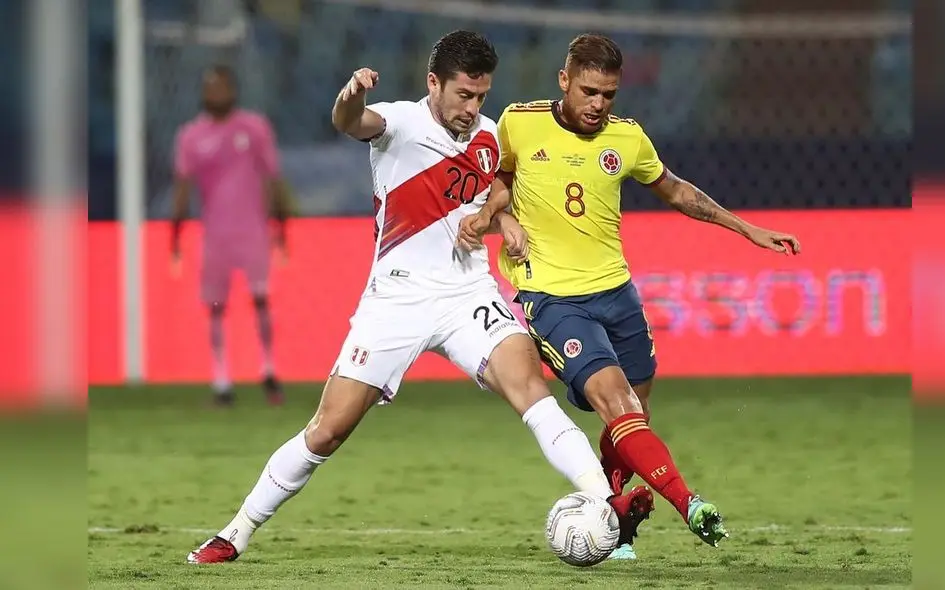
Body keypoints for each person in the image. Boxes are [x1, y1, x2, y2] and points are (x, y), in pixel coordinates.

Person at [186, 30, 653, 565]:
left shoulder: (488, 137)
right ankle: (236, 530)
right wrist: (351, 93)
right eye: (463, 96)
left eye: (481, 97)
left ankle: (607, 507)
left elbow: (491, 190)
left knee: (531, 389)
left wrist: (501, 219)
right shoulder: (398, 123)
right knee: (327, 431)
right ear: (434, 83)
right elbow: (349, 122)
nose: (472, 109)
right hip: (398, 299)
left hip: (467, 293)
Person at [459, 33, 802, 559]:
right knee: (618, 404)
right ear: (564, 81)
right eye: (589, 91)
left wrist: (746, 228)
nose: (598, 104)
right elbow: (496, 182)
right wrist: (497, 218)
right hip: (552, 298)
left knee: (633, 415)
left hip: (618, 294)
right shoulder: (518, 122)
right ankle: (690, 504)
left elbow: (677, 190)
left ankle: (613, 519)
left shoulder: (627, 139)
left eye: (609, 95)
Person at [171, 65, 290, 406]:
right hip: (215, 236)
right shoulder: (191, 136)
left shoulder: (254, 128)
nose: (216, 94)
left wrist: (281, 225)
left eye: (221, 87)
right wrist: (175, 235)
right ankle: (221, 379)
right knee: (216, 307)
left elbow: (273, 177)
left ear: (233, 90)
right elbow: (183, 188)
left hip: (252, 230)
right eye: (210, 88)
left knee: (261, 298)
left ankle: (268, 369)